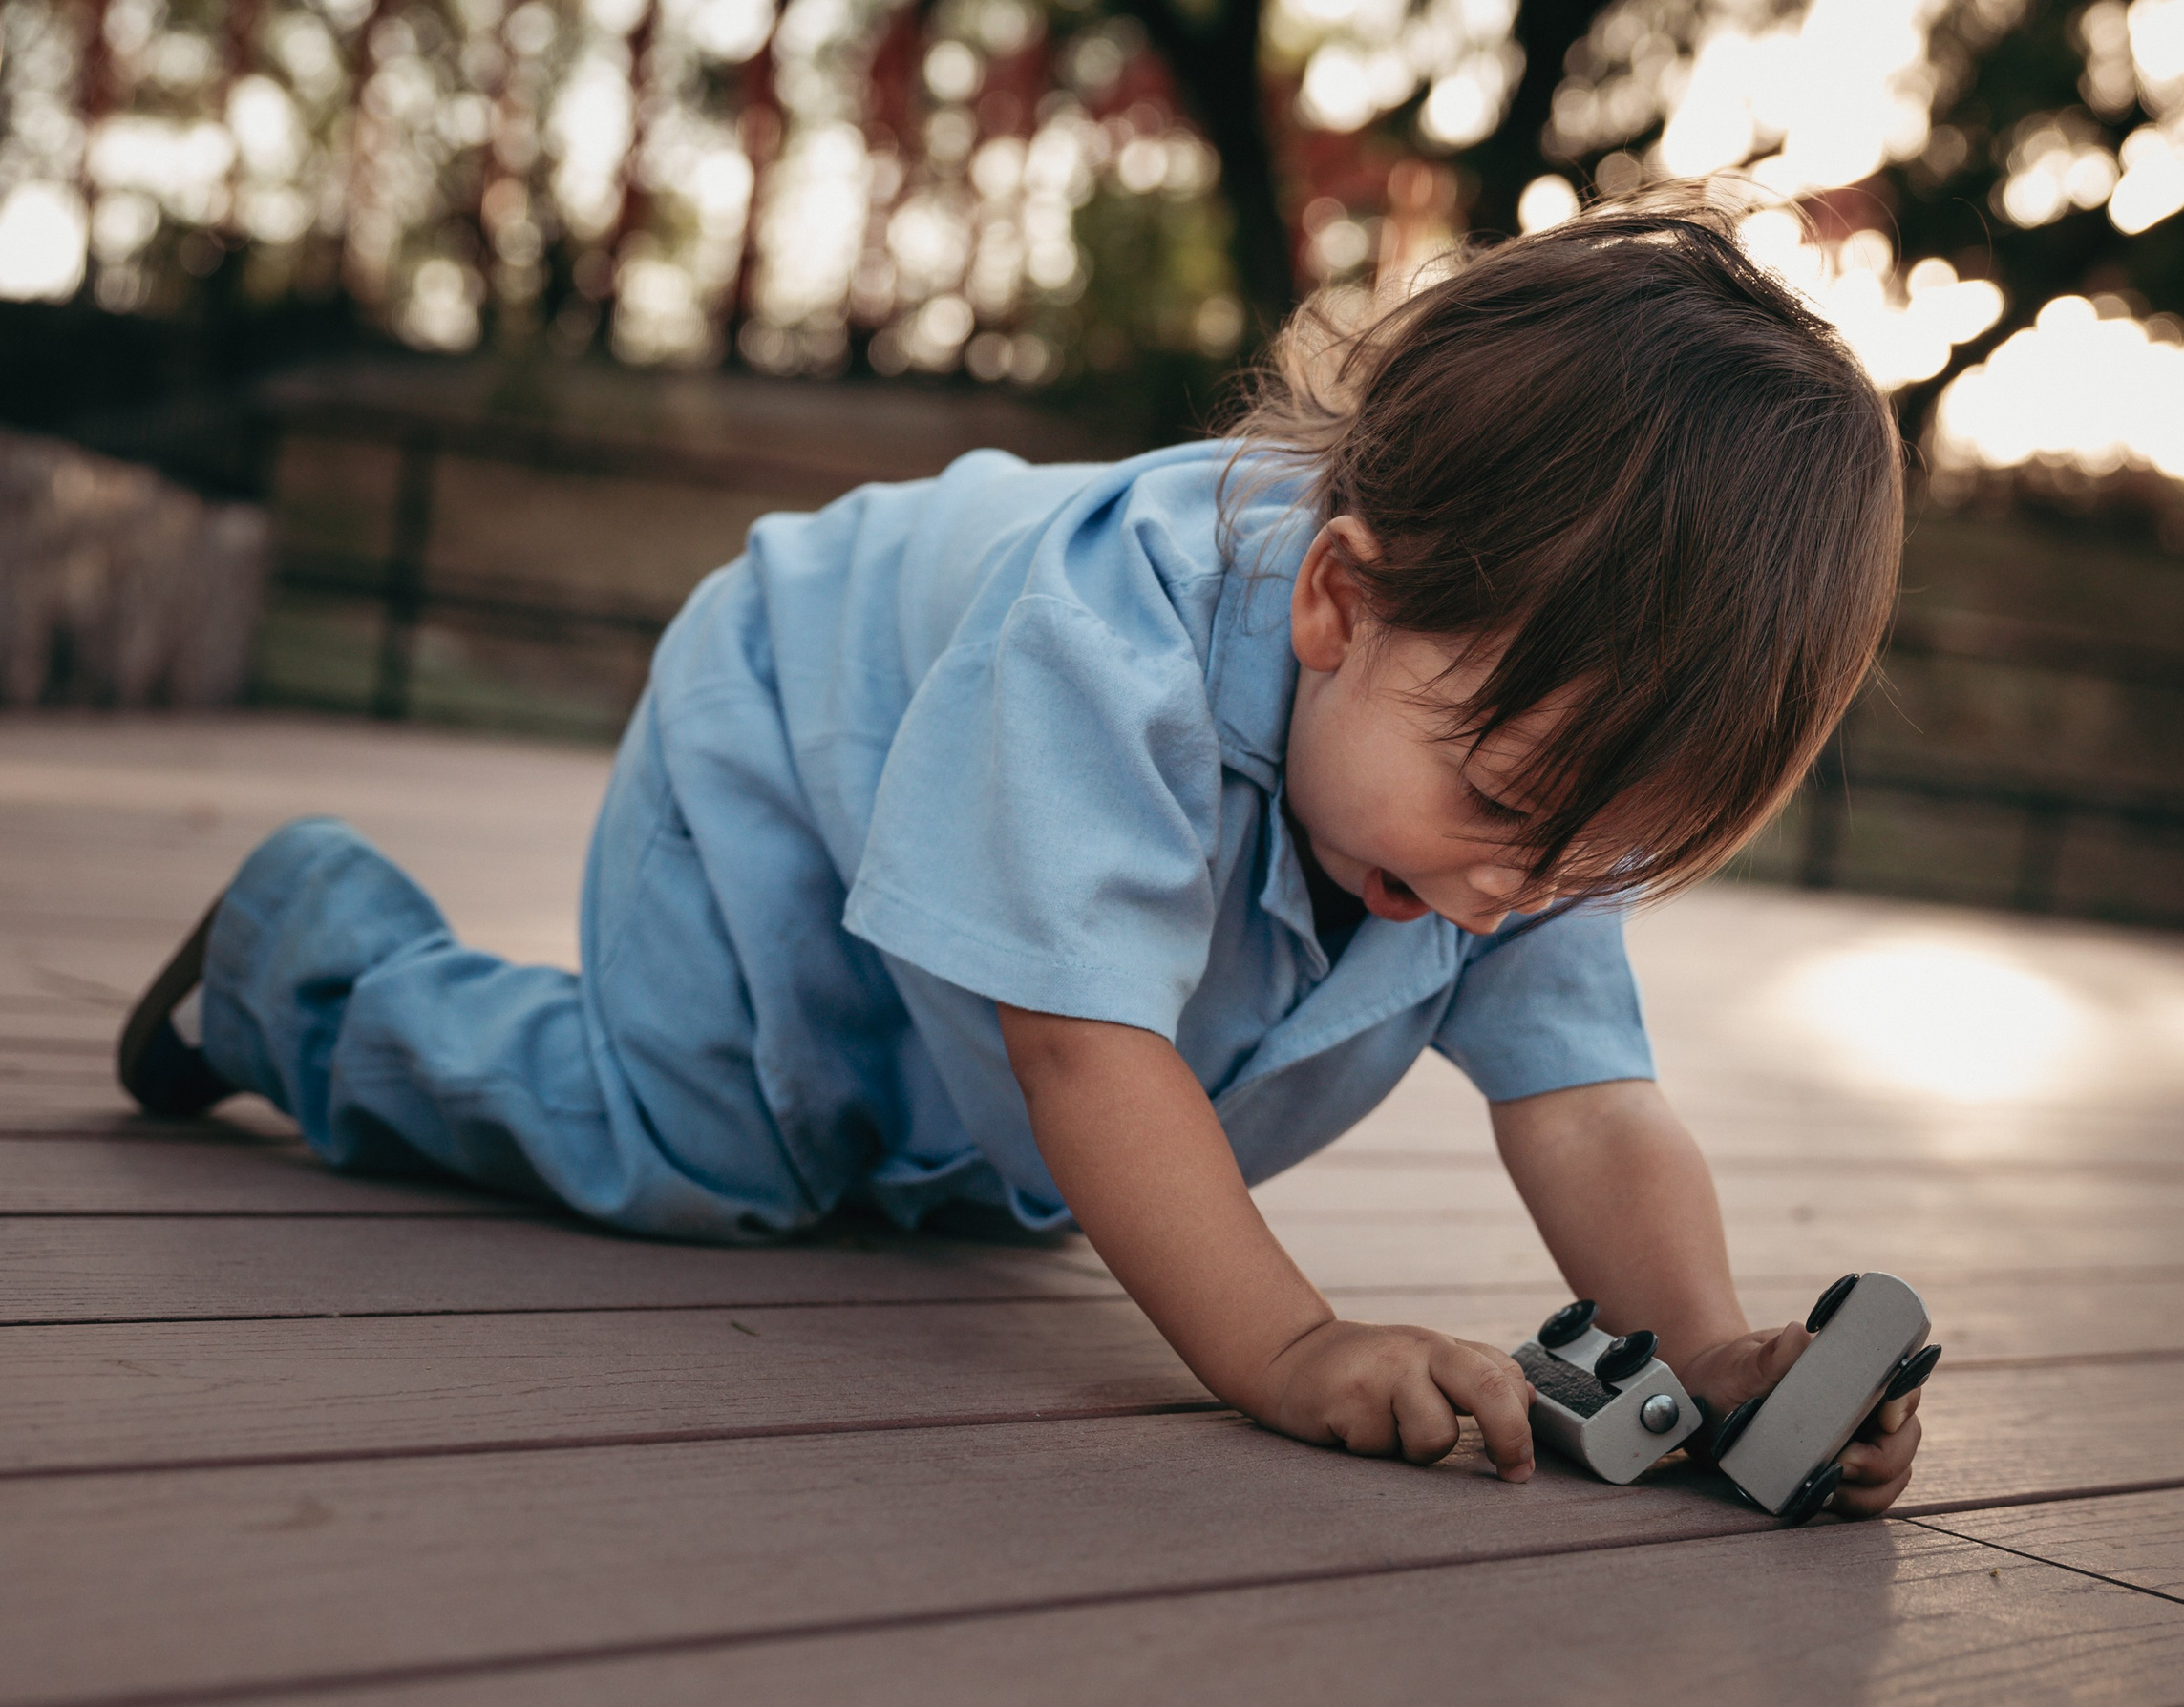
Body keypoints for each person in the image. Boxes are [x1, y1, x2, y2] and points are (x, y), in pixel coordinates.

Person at [117, 200, 1922, 1511]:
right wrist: (1285, 1346)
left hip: (1001, 878)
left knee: (955, 1184)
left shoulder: (1505, 792)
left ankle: (882, 1133)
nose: (1512, 896)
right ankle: (307, 958)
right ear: (1334, 598)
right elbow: (1077, 1044)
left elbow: (1589, 1099)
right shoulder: (1109, 645)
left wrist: (1706, 1348)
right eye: (1515, 818)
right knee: (707, 1149)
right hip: (795, 751)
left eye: (1597, 862)